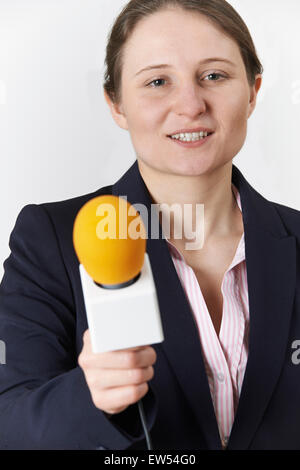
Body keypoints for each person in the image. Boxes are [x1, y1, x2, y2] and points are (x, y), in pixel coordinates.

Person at [0, 0, 299, 450]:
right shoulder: (53, 239)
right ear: (116, 105)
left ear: (253, 91)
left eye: (214, 76)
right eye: (158, 82)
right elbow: (10, 424)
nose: (190, 105)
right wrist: (91, 397)